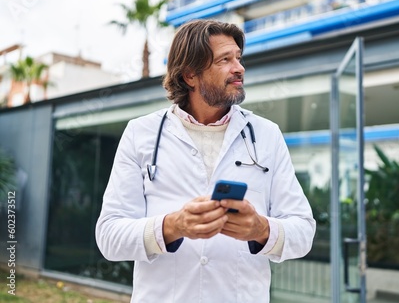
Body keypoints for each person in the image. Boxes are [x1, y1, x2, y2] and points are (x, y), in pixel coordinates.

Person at [95, 19, 316, 303]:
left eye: (238, 58)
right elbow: (109, 236)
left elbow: (303, 232)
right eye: (225, 60)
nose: (239, 68)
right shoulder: (141, 133)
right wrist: (173, 226)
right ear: (190, 75)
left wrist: (261, 229)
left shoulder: (267, 135)